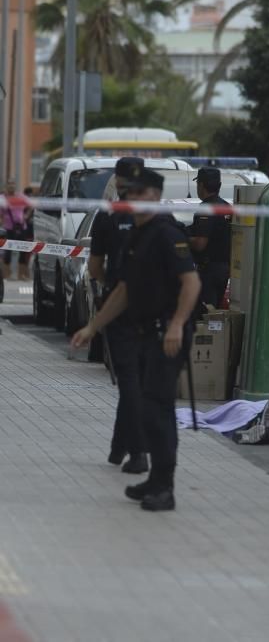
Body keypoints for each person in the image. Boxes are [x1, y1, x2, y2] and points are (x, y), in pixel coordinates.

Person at [72, 165, 201, 511]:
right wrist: (93, 327)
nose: (135, 199)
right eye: (130, 193)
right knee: (146, 410)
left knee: (158, 412)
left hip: (166, 334)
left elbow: (192, 282)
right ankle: (155, 480)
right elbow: (124, 291)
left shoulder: (165, 232)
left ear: (156, 197)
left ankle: (165, 487)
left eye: (142, 194)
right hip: (145, 331)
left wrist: (176, 324)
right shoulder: (136, 236)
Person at [88, 157, 148, 475]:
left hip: (119, 307)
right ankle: (119, 445)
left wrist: (109, 287)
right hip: (153, 311)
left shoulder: (108, 217)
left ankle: (138, 452)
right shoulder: (156, 214)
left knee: (129, 382)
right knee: (138, 381)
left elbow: (95, 267)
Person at [187, 166, 231, 308]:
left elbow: (200, 243)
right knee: (216, 312)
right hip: (225, 269)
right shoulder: (226, 207)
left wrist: (181, 239)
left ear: (201, 185)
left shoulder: (206, 208)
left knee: (206, 313)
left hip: (209, 271)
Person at [0, 181, 27, 280]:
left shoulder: (20, 196)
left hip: (21, 227)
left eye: (13, 183)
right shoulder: (2, 199)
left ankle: (21, 275)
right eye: (9, 184)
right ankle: (7, 275)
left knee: (23, 250)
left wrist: (26, 216)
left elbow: (31, 204)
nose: (12, 185)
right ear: (6, 186)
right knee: (8, 251)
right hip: (8, 228)